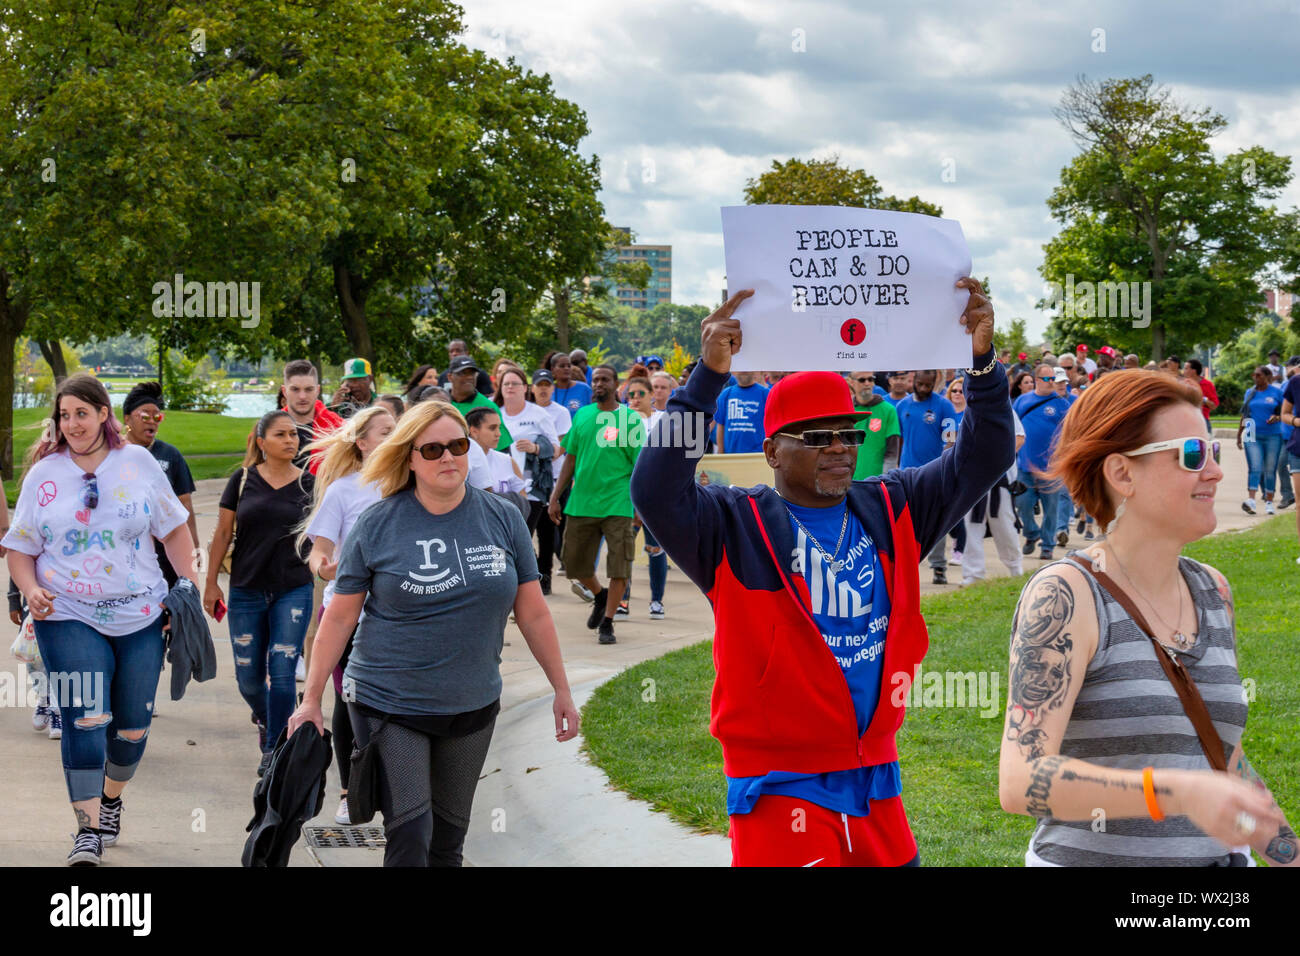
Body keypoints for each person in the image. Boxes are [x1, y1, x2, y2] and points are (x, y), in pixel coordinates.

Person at [632, 278, 1013, 867]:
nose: (839, 448)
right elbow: (655, 490)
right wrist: (705, 380)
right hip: (778, 782)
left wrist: (982, 363)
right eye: (816, 437)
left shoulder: (893, 507)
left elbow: (985, 454)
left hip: (874, 773)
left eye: (848, 434)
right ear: (772, 452)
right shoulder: (733, 526)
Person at [998, 370, 1296, 867]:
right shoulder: (1067, 594)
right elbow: (1021, 779)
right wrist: (1172, 791)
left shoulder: (1214, 590)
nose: (1216, 473)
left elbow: (1225, 756)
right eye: (1194, 455)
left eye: (1215, 453)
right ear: (1122, 474)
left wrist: (1286, 852)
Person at [287, 400, 581, 867]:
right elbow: (340, 618)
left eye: (457, 446)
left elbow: (533, 614)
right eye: (432, 449)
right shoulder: (377, 523)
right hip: (389, 701)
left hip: (472, 703)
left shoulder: (503, 517)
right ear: (408, 458)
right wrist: (311, 700)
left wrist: (561, 690)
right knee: (411, 834)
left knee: (447, 843)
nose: (448, 457)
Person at [3, 374, 195, 865]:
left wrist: (187, 582)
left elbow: (173, 529)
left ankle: (111, 800)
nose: (71, 424)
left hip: (140, 613)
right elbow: (20, 547)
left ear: (104, 414)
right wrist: (30, 589)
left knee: (130, 728)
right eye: (64, 416)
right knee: (84, 718)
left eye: (81, 414)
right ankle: (87, 829)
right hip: (65, 612)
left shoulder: (139, 463)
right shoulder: (43, 474)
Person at [298, 406, 396, 826]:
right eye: (385, 431)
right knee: (349, 698)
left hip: (398, 612)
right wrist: (325, 567)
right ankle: (347, 790)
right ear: (362, 442)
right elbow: (319, 550)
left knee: (392, 701)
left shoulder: (410, 485)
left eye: (398, 429)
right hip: (347, 610)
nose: (394, 436)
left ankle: (395, 785)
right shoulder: (344, 490)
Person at [204, 410, 315, 777]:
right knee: (248, 677)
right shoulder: (242, 479)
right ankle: (271, 716)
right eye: (281, 435)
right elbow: (222, 534)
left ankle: (274, 751)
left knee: (282, 672)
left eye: (294, 435)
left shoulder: (311, 484)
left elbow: (323, 536)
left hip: (293, 590)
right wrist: (210, 582)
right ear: (261, 441)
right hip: (247, 590)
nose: (290, 440)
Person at [548, 365, 645, 644]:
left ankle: (608, 622)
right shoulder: (582, 415)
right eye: (595, 380)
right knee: (574, 565)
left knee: (619, 566)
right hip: (582, 503)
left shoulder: (630, 420)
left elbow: (639, 466)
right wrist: (555, 496)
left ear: (617, 385)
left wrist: (639, 505)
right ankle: (600, 595)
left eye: (604, 380)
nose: (598, 384)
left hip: (618, 503)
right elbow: (570, 458)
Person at [120, 382, 199, 588]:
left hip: (167, 552)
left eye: (157, 416)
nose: (152, 422)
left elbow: (185, 506)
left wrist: (194, 549)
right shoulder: (112, 455)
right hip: (125, 552)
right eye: (145, 416)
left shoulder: (170, 456)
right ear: (127, 418)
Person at [896, 370, 957, 584]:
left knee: (934, 521)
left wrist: (943, 467)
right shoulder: (902, 406)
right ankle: (906, 568)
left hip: (933, 474)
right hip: (906, 473)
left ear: (935, 383)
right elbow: (900, 440)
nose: (923, 389)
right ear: (914, 381)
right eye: (920, 384)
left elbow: (950, 440)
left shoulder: (944, 406)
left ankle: (939, 566)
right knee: (905, 522)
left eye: (928, 385)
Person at [1013, 365, 1072, 561]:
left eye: (1054, 379)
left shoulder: (1061, 404)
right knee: (1022, 504)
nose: (1052, 382)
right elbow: (1012, 426)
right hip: (1025, 466)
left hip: (1051, 468)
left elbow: (1071, 431)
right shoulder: (1022, 401)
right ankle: (1031, 534)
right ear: (1037, 380)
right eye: (1048, 379)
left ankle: (1047, 545)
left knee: (1051, 509)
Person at [962, 408, 1026, 586]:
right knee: (971, 527)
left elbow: (1020, 437)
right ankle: (973, 574)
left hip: (1000, 481)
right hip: (973, 480)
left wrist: (998, 456)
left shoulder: (1005, 410)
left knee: (1004, 525)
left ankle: (1015, 568)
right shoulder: (968, 413)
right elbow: (954, 442)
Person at [494, 367, 561, 536]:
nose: (510, 387)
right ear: (500, 388)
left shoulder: (539, 414)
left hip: (532, 488)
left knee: (523, 536)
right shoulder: (495, 414)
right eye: (506, 384)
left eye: (515, 384)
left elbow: (556, 450)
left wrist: (535, 448)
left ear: (525, 388)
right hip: (501, 488)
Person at [623, 375, 667, 619]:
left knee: (655, 548)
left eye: (641, 393)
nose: (636, 398)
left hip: (653, 497)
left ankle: (657, 601)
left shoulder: (664, 420)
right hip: (626, 496)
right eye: (631, 394)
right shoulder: (618, 422)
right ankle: (622, 599)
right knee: (624, 548)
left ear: (652, 395)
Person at [529, 369, 572, 594]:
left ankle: (545, 578)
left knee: (550, 531)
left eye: (547, 385)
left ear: (552, 388)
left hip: (555, 478)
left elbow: (560, 447)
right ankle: (533, 571)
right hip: (529, 480)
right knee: (527, 532)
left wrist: (539, 452)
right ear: (533, 388)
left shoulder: (561, 412)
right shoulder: (527, 412)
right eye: (539, 385)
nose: (543, 389)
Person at [278, 359, 344, 473]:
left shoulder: (339, 428)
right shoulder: (268, 428)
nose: (302, 396)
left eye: (309, 389)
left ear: (317, 390)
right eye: (295, 389)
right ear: (284, 391)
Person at [1237, 365, 1284, 516]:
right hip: (1251, 432)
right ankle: (1251, 500)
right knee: (1255, 467)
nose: (1255, 378)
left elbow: (1285, 413)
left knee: (1270, 469)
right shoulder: (1249, 393)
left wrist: (1277, 417)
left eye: (1259, 375)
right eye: (1254, 375)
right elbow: (1245, 415)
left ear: (1267, 377)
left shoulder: (1277, 392)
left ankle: (1269, 501)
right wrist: (1239, 434)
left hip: (1273, 434)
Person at [466, 407, 529, 515]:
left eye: (499, 428)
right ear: (474, 431)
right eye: (492, 428)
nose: (498, 434)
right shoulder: (463, 463)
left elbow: (523, 502)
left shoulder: (508, 461)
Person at [447, 355, 512, 451]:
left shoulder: (488, 407)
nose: (469, 377)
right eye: (462, 373)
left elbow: (503, 449)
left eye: (472, 373)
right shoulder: (441, 403)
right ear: (450, 377)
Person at [848, 369, 900, 480]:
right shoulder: (847, 410)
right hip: (850, 481)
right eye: (862, 380)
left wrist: (884, 481)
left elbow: (892, 453)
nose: (867, 383)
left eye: (871, 379)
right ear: (851, 382)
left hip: (876, 482)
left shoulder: (888, 410)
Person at [714, 371, 770, 454]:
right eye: (741, 368)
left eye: (747, 368)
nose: (744, 371)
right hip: (731, 456)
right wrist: (720, 452)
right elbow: (720, 426)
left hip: (758, 456)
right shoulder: (726, 394)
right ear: (734, 372)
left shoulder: (766, 394)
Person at [1183, 359, 1219, 434]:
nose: (1183, 371)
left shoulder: (1208, 385)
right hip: (1184, 421)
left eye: (1186, 368)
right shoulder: (1182, 385)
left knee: (1206, 445)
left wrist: (1204, 400)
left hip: (1203, 420)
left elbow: (1214, 406)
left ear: (1193, 371)